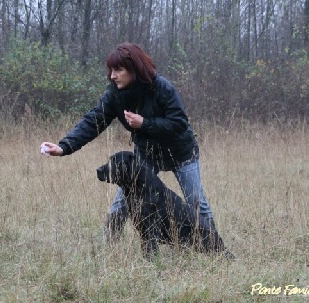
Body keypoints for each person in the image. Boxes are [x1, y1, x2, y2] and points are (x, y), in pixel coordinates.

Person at [41, 42, 233, 258]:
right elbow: (93, 121)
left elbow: (179, 123)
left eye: (118, 70)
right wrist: (64, 146)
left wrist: (145, 123)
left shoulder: (162, 87)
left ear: (135, 69)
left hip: (180, 153)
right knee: (120, 205)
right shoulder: (115, 95)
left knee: (198, 202)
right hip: (146, 155)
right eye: (111, 70)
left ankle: (217, 253)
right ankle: (107, 252)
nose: (112, 76)